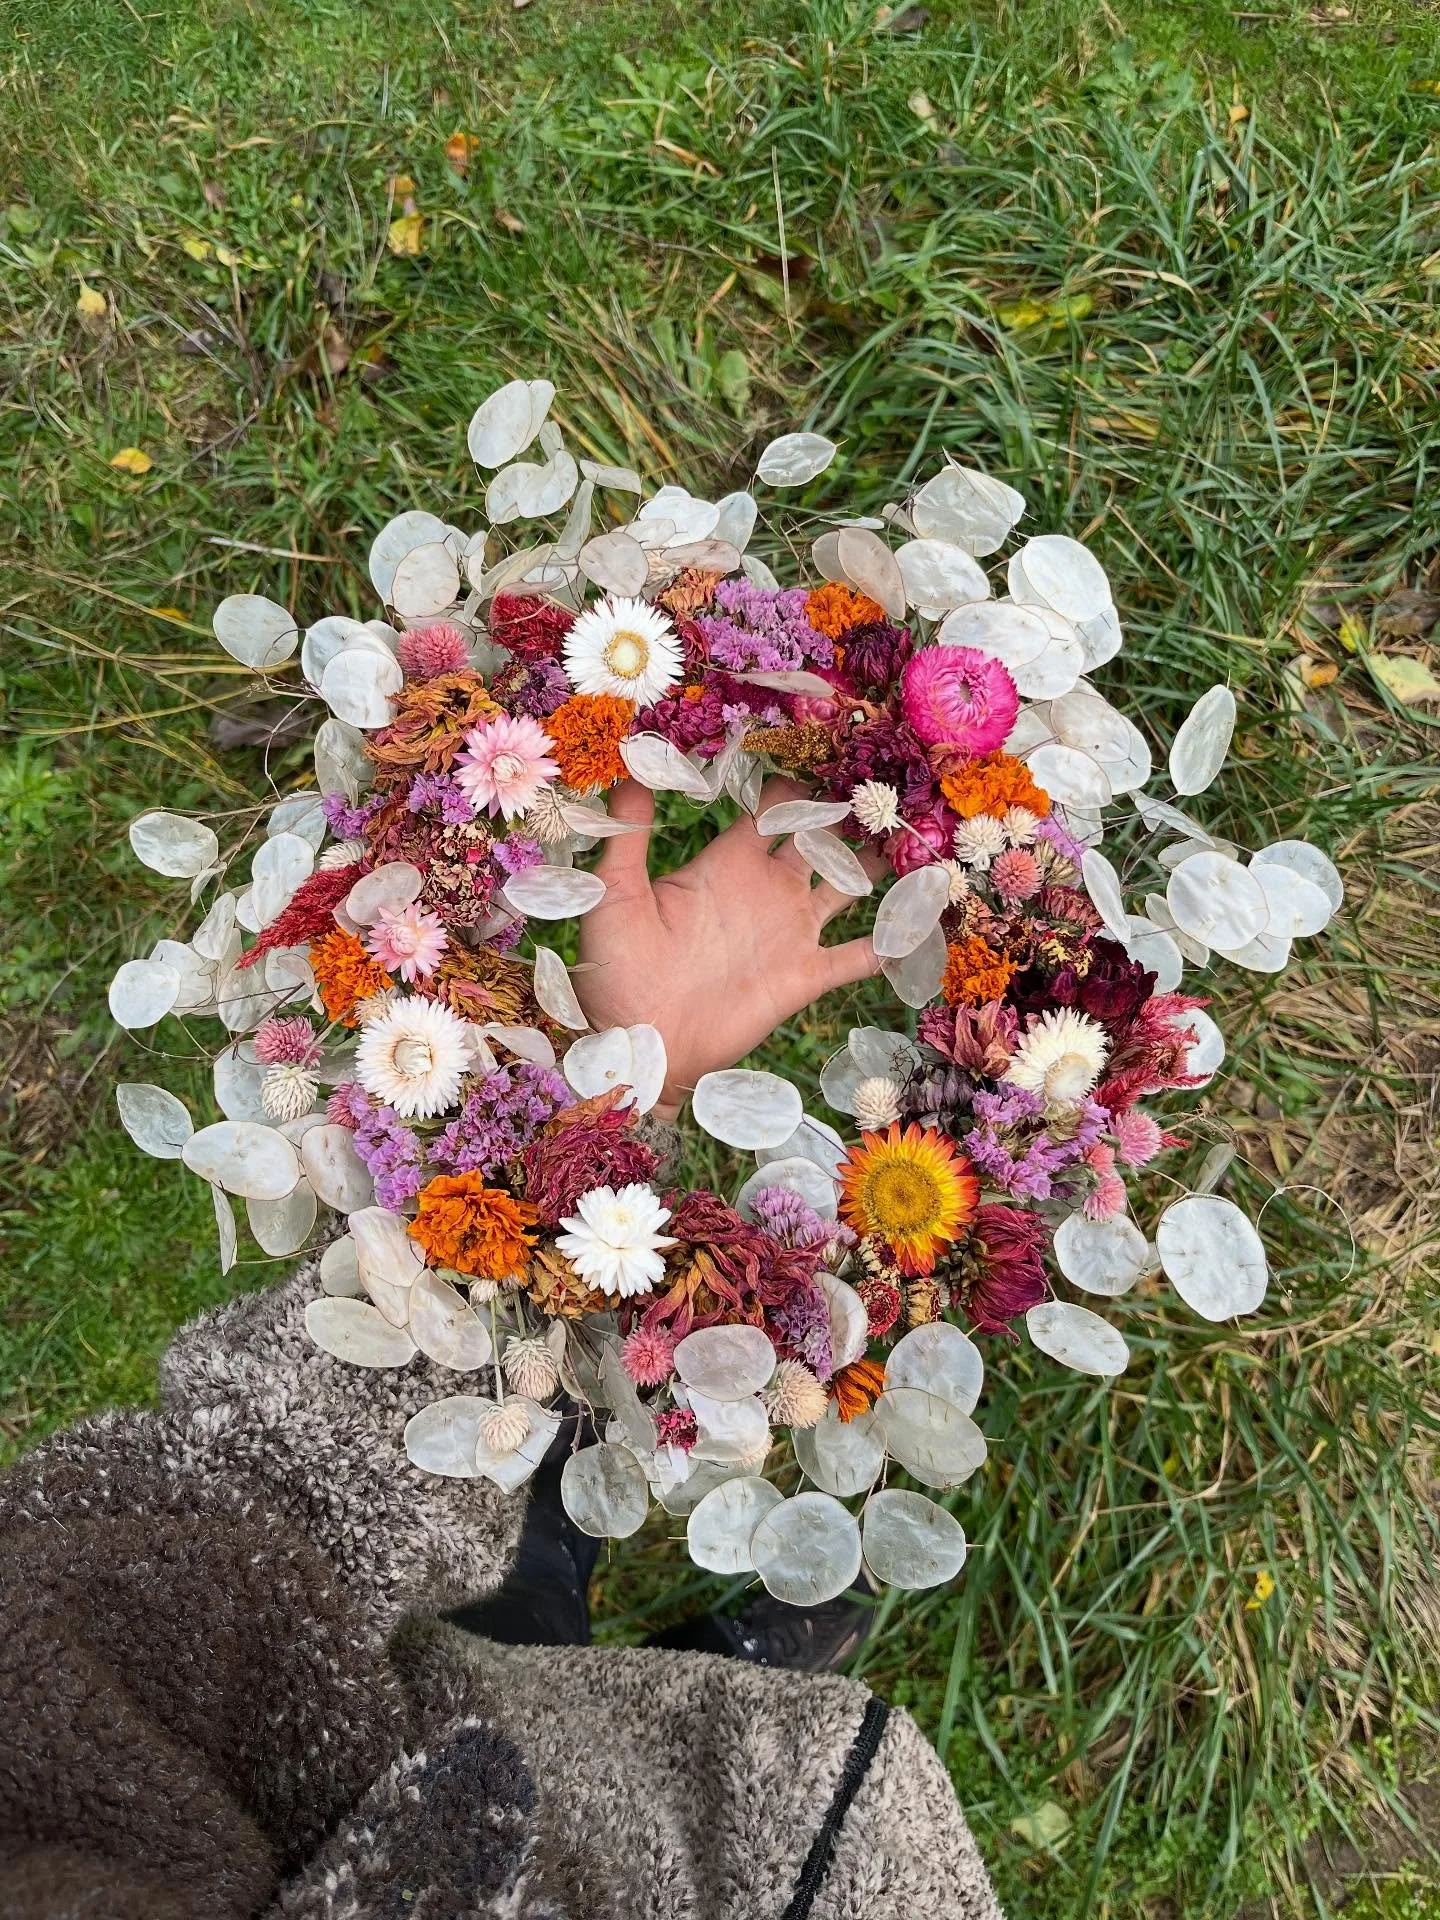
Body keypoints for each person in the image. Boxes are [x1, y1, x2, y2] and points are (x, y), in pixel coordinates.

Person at [0, 784, 1004, 1919]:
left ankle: (585, 1586)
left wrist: (609, 1104)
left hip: (413, 1714)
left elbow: (217, 1547)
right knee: (578, 1650)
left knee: (518, 1601)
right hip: (727, 1830)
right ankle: (713, 1678)